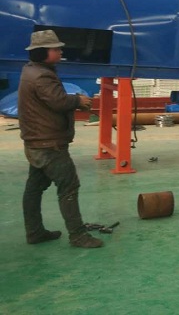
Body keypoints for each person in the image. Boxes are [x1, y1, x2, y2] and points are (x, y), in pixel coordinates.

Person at [18, 30, 103, 248]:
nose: (61, 51)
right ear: (42, 53)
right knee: (69, 186)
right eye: (56, 49)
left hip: (36, 142)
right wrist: (78, 100)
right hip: (48, 144)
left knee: (34, 188)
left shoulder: (31, 70)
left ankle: (34, 232)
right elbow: (58, 102)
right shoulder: (42, 76)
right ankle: (78, 236)